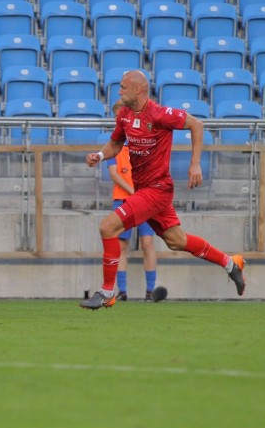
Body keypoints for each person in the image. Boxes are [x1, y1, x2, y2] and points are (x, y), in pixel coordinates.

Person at [81, 70, 245, 309]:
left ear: (138, 89)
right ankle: (231, 263)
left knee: (107, 227)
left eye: (123, 87)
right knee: (176, 240)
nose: (119, 91)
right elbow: (116, 144)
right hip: (144, 190)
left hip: (157, 189)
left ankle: (107, 292)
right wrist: (99, 154)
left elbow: (196, 125)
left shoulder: (159, 114)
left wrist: (195, 163)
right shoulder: (125, 115)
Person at [107, 145, 158, 302]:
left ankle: (151, 291)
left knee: (147, 244)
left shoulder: (147, 147)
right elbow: (114, 174)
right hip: (123, 201)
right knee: (121, 246)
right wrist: (134, 192)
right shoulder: (114, 148)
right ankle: (122, 292)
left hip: (145, 201)